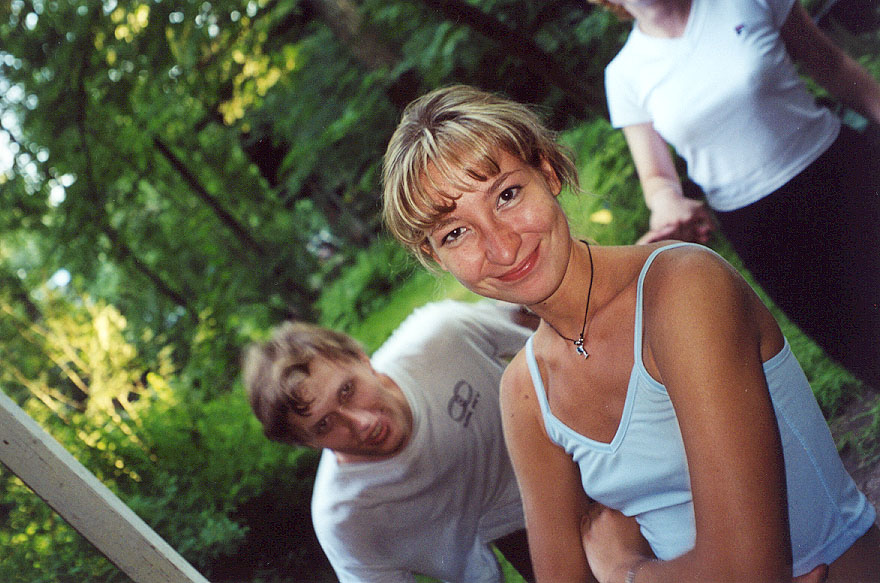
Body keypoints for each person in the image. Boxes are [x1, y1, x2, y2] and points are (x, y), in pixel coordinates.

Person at [381, 84, 880, 583]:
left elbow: (749, 572)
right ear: (435, 257)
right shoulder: (526, 392)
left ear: (548, 172)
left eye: (507, 195)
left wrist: (623, 568)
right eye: (456, 233)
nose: (503, 246)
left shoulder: (682, 289)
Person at [590, 0, 880, 389]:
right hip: (759, 229)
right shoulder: (624, 74)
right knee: (857, 342)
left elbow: (833, 66)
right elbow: (657, 178)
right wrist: (667, 204)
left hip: (841, 174)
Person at [242, 299, 537, 583]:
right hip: (511, 532)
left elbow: (543, 324)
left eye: (347, 390)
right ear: (308, 443)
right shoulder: (345, 517)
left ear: (362, 359)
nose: (362, 423)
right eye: (324, 425)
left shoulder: (441, 334)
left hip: (556, 455)